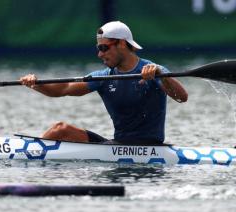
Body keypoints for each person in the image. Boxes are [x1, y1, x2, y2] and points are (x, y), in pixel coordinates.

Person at [20, 21, 188, 145]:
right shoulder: (103, 77)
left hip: (150, 145)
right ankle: (32, 153)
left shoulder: (154, 70)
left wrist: (161, 76)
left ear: (121, 43)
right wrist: (36, 83)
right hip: (118, 144)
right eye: (98, 49)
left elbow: (182, 97)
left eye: (103, 48)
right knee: (60, 129)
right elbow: (63, 89)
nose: (100, 55)